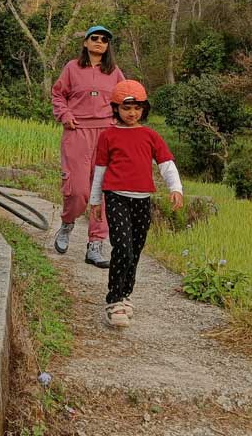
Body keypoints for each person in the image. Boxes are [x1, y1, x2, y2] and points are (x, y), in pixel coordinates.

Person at [89, 79, 184, 327]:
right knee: (122, 247)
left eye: (137, 108)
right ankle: (114, 300)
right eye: (126, 108)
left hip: (143, 200)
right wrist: (95, 200)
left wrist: (176, 189)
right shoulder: (108, 136)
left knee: (135, 250)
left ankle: (126, 294)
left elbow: (166, 164)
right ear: (116, 109)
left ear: (144, 108)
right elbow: (100, 169)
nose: (132, 113)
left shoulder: (151, 135)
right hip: (116, 197)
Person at [51, 25, 125, 268]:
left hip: (106, 133)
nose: (99, 42)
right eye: (95, 38)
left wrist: (119, 121)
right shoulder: (72, 68)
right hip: (77, 131)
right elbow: (58, 94)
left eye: (104, 40)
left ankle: (95, 244)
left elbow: (125, 98)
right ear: (85, 42)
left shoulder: (114, 72)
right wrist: (65, 114)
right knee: (78, 189)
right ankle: (68, 222)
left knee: (101, 190)